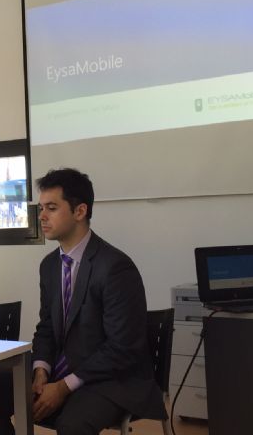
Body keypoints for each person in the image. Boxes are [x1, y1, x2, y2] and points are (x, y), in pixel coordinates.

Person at [31, 168, 166, 434]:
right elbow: (46, 327)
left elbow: (122, 347)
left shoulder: (115, 267)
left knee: (72, 424)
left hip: (112, 379)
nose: (42, 216)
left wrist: (63, 386)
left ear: (80, 211)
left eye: (52, 208)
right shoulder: (49, 265)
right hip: (64, 368)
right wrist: (41, 370)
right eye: (41, 208)